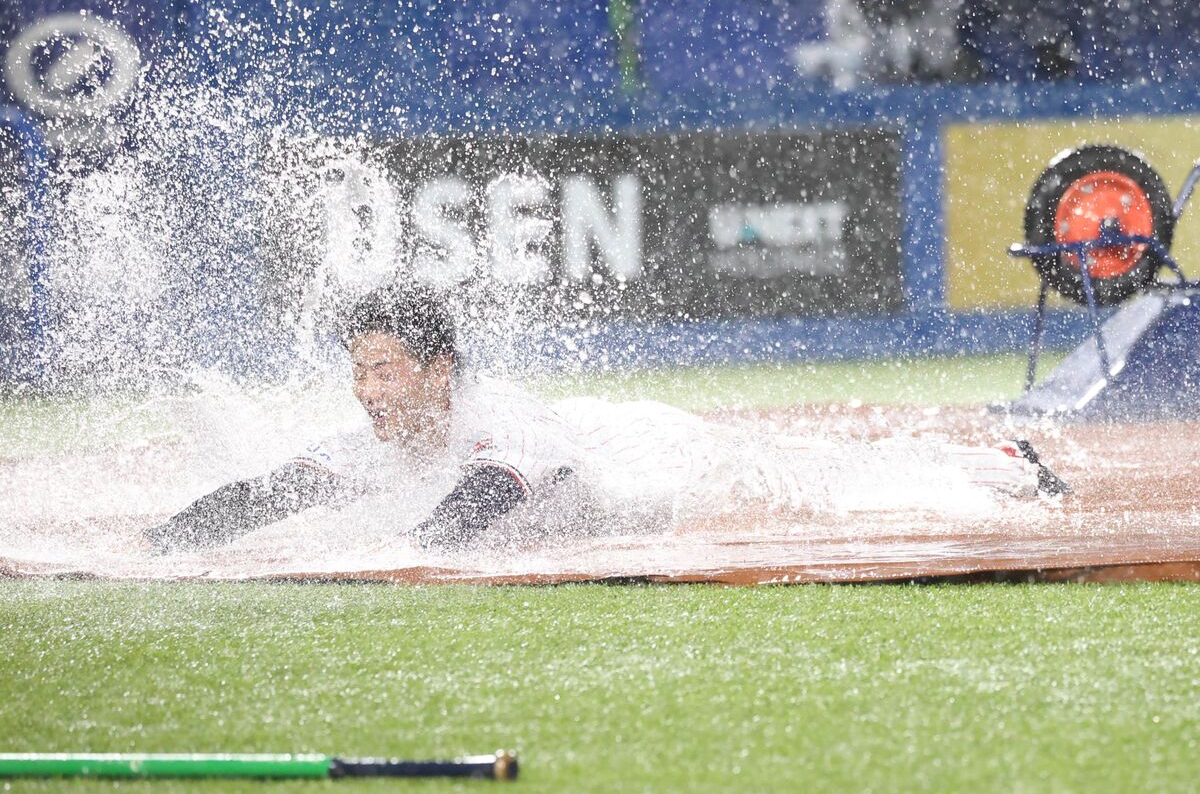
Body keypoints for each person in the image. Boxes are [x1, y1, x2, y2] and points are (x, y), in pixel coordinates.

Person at [144, 284, 1071, 555]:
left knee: (824, 481)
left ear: (439, 369)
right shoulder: (376, 436)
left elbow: (471, 511)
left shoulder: (495, 419)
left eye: (383, 369)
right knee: (818, 475)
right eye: (357, 371)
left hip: (645, 453)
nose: (367, 390)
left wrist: (388, 558)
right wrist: (167, 540)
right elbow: (276, 491)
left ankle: (1004, 460)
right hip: (590, 446)